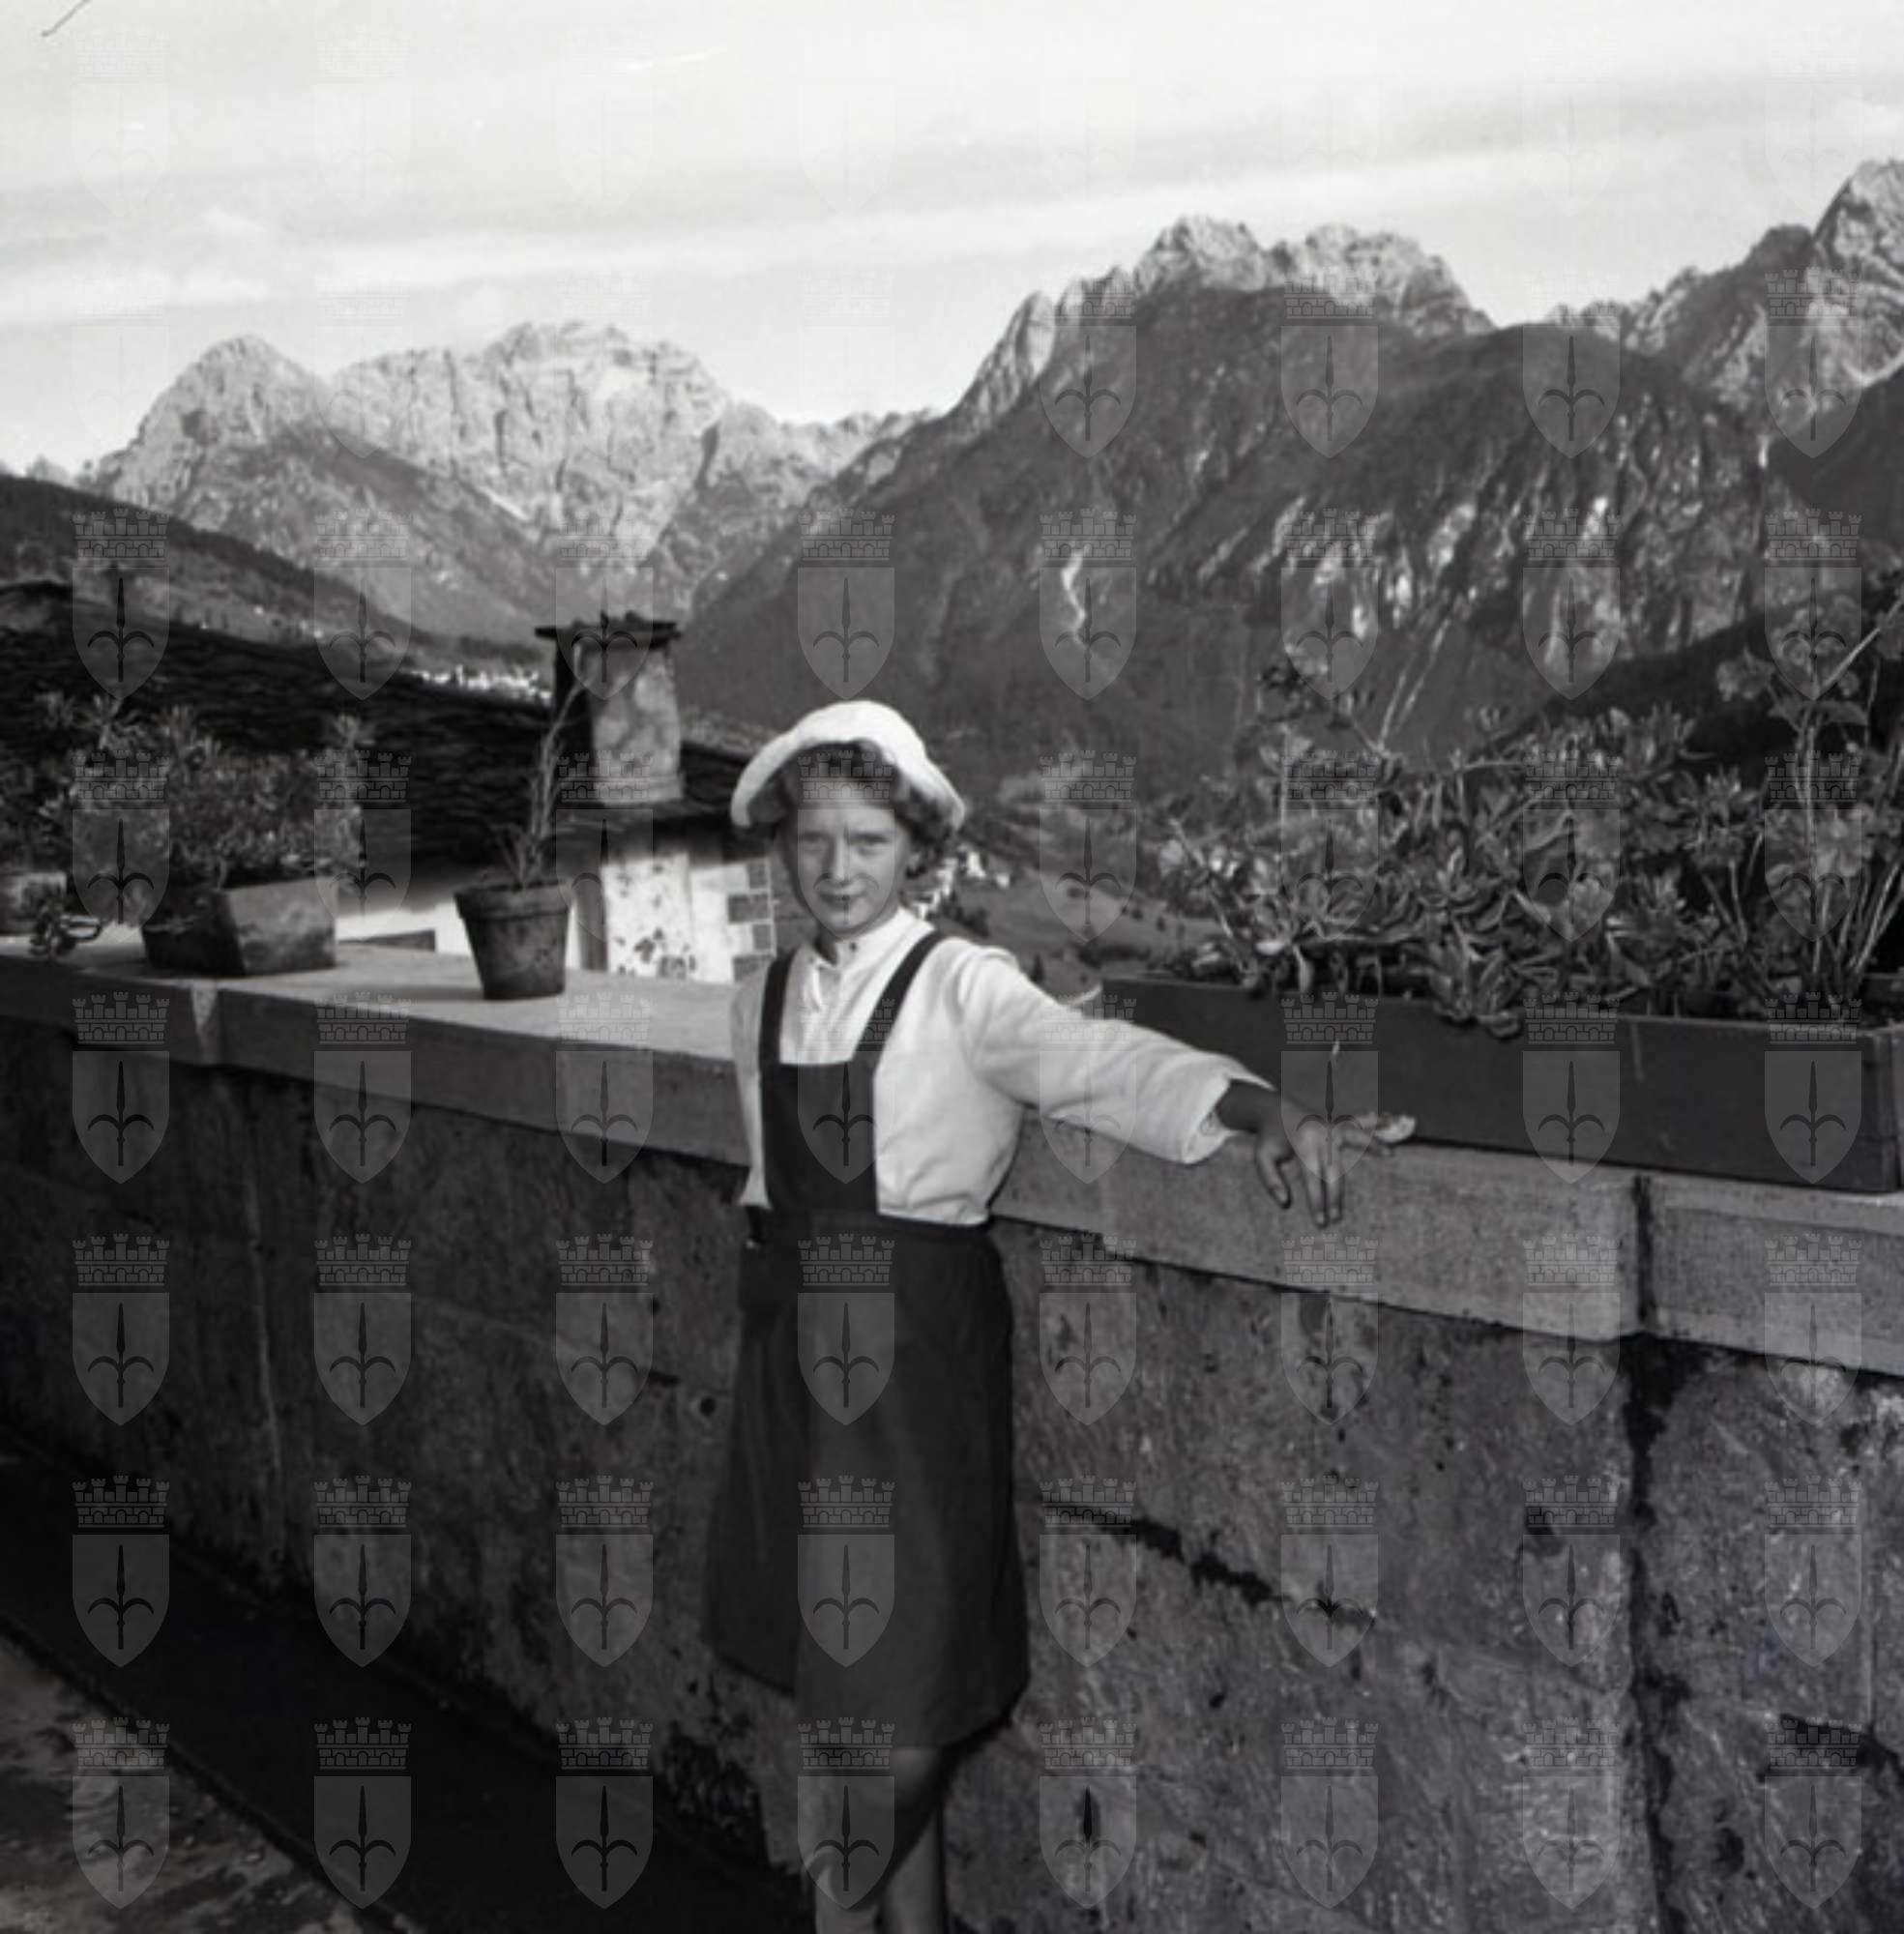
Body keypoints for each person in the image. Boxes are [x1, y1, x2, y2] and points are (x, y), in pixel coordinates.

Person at [699, 700, 1398, 1933]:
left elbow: (1101, 1065)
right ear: (784, 847)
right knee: (850, 1691)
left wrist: (1263, 1111)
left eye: (868, 841)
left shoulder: (961, 985)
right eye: (813, 840)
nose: (838, 868)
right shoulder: (758, 999)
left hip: (914, 1369)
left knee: (909, 1686)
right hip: (792, 1369)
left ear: (917, 851)